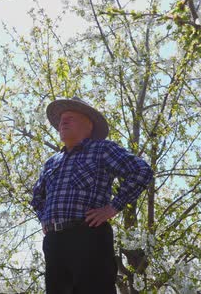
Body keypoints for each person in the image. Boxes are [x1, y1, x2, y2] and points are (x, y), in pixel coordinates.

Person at [30, 97, 154, 294]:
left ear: (88, 124)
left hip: (89, 236)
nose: (63, 122)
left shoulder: (101, 149)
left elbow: (141, 171)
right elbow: (37, 197)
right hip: (54, 243)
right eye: (61, 119)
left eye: (70, 117)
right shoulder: (52, 162)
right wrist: (44, 218)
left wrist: (114, 207)